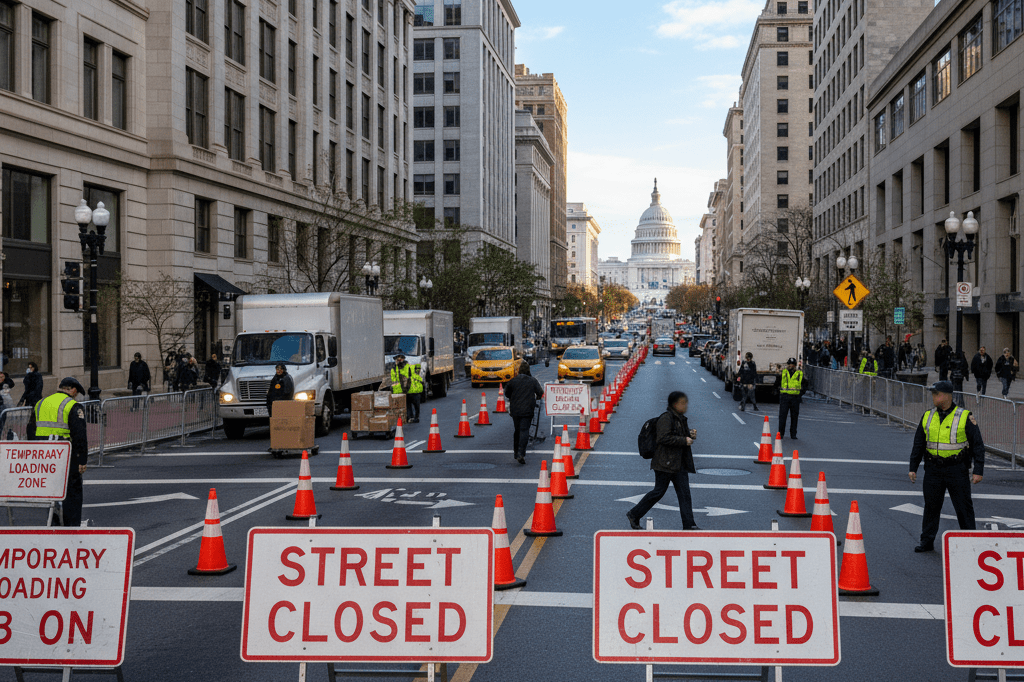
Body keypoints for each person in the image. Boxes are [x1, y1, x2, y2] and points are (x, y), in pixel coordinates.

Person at [908, 380, 985, 552]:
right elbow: (919, 444)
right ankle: (926, 541)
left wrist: (978, 470)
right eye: (933, 393)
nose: (933, 396)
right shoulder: (928, 415)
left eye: (936, 393)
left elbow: (977, 445)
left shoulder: (964, 416)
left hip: (956, 469)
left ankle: (971, 542)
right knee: (931, 506)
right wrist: (913, 467)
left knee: (963, 507)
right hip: (933, 469)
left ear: (947, 396)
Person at [626, 391, 699, 530]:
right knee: (658, 492)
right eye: (683, 403)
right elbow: (663, 437)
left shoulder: (679, 418)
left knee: (685, 494)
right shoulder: (666, 418)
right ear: (675, 404)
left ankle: (689, 524)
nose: (686, 406)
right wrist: (683, 440)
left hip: (678, 463)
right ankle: (634, 514)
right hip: (665, 463)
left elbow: (675, 433)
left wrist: (689, 433)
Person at [29, 377, 89, 527]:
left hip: (43, 454)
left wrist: (33, 450)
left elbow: (30, 429)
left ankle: (53, 522)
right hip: (64, 455)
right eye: (77, 393)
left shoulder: (41, 403)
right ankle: (71, 526)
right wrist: (82, 460)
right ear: (73, 390)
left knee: (50, 489)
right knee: (72, 491)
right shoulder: (72, 406)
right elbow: (79, 435)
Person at [503, 360, 543, 464]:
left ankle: (516, 453)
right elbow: (540, 392)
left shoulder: (513, 381)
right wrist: (537, 397)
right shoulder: (532, 380)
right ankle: (521, 453)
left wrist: (513, 397)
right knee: (524, 430)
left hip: (515, 410)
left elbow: (506, 393)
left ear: (519, 370)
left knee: (517, 430)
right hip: (528, 409)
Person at [389, 354, 424, 423]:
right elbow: (393, 380)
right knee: (408, 405)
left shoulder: (409, 367)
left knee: (416, 405)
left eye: (399, 359)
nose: (398, 361)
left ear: (403, 359)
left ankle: (416, 417)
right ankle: (410, 417)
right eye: (397, 359)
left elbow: (417, 372)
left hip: (413, 390)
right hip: (403, 391)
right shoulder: (394, 369)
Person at [778, 358, 803, 439]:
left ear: (795, 366)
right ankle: (781, 433)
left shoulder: (799, 373)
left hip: (795, 398)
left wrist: (800, 394)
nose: (790, 366)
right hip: (785, 397)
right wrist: (779, 391)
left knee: (794, 416)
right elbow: (777, 383)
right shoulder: (784, 372)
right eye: (789, 364)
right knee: (782, 416)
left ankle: (793, 434)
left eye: (792, 364)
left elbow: (804, 385)